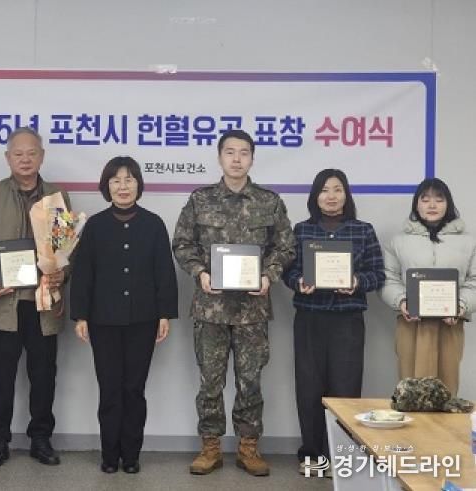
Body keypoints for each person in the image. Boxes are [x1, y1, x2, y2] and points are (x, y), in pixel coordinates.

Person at [172, 129, 295, 477]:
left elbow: (285, 246)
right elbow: (182, 243)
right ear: (220, 157)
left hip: (252, 310)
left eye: (243, 153)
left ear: (252, 158)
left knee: (250, 382)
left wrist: (269, 274)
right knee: (210, 382)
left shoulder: (269, 201)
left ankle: (248, 447)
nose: (237, 159)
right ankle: (210, 446)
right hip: (210, 307)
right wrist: (200, 273)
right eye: (230, 152)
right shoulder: (200, 200)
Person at [71, 156, 178, 474]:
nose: (122, 186)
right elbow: (83, 273)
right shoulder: (95, 226)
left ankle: (131, 455)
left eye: (129, 179)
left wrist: (164, 314)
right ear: (107, 186)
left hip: (143, 320)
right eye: (116, 180)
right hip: (102, 320)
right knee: (109, 388)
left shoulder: (153, 224)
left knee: (134, 389)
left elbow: (164, 272)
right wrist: (81, 316)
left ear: (138, 184)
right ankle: (109, 455)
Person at [0, 127, 69, 468]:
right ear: (7, 157)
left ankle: (41, 439)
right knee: (0, 377)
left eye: (32, 153)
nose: (25, 159)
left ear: (42, 156)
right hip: (5, 303)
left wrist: (62, 273)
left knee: (44, 376)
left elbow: (66, 247)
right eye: (18, 154)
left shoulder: (57, 196)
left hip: (43, 304)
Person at [282, 169, 385, 476]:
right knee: (309, 389)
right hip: (309, 318)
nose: (331, 196)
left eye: (337, 189)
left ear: (346, 195)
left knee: (346, 390)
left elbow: (377, 274)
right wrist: (299, 282)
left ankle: (341, 457)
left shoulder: (363, 230)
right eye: (324, 190)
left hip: (347, 321)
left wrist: (356, 282)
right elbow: (288, 271)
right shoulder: (301, 230)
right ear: (315, 196)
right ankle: (313, 455)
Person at [381, 178, 476, 396]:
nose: (432, 205)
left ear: (448, 204)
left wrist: (460, 306)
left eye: (439, 199)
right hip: (410, 323)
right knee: (410, 391)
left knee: (446, 391)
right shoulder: (398, 241)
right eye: (425, 199)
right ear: (416, 204)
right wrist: (402, 301)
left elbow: (474, 281)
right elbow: (388, 278)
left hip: (451, 323)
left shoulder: (469, 242)